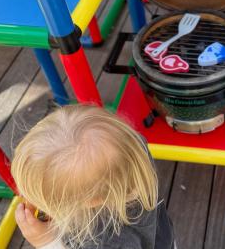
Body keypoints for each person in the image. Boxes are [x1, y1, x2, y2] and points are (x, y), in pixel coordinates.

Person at [11, 105, 175, 249]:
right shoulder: (134, 152)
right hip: (161, 237)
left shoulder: (104, 241)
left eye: (55, 201)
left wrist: (47, 242)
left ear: (91, 201)